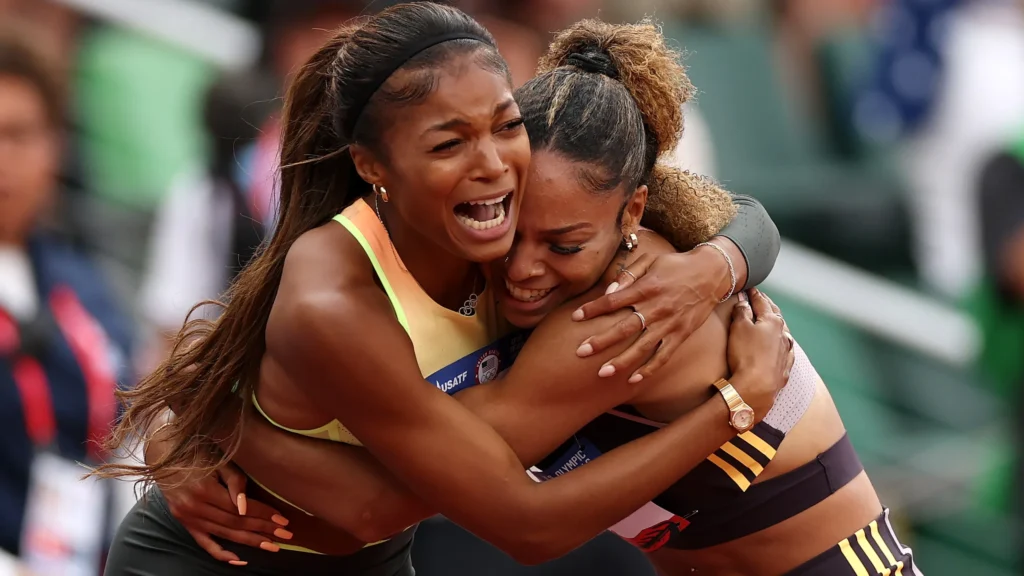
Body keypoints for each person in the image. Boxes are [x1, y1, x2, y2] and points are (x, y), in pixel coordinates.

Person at [152, 15, 923, 576]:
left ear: (632, 214)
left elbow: (382, 504)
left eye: (562, 245)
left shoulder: (622, 313)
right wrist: (178, 431)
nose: (520, 268)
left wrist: (212, 421)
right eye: (513, 225)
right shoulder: (500, 254)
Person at [0, 23, 132, 570]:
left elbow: (130, 425)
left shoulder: (81, 284)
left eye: (18, 134)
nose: (1, 157)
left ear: (54, 148)